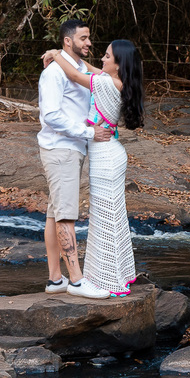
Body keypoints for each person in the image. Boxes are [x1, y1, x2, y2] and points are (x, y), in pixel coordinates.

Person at [43, 38, 145, 297]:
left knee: (105, 217)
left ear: (119, 64)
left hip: (106, 158)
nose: (102, 59)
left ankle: (108, 280)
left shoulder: (106, 83)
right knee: (111, 215)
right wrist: (72, 57)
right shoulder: (115, 81)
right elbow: (90, 68)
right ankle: (116, 274)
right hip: (109, 153)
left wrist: (57, 56)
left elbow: (77, 75)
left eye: (108, 57)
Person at [38, 19, 115, 299]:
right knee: (66, 215)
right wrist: (88, 132)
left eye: (89, 38)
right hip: (61, 149)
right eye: (83, 38)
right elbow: (51, 115)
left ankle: (55, 280)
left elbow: (102, 79)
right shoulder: (55, 73)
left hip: (72, 149)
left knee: (55, 213)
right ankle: (77, 281)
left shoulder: (79, 68)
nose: (89, 43)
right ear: (68, 40)